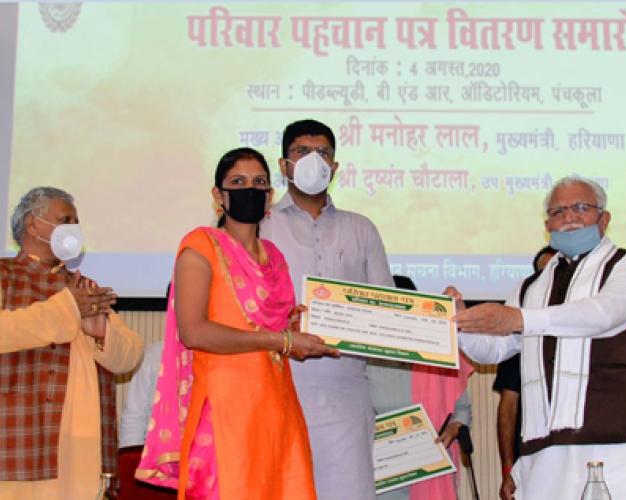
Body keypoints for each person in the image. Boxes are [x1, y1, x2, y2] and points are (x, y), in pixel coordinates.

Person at [446, 175, 626, 500]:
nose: (569, 218)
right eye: (558, 212)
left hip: (620, 443)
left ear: (604, 219)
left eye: (580, 208)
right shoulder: (531, 287)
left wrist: (519, 319)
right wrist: (460, 323)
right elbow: (496, 349)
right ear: (547, 226)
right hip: (545, 450)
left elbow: (602, 315)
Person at [137, 147, 337, 499]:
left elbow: (278, 334)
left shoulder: (274, 258)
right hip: (224, 412)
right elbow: (193, 331)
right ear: (219, 195)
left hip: (276, 407)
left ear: (270, 196)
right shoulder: (200, 246)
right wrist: (282, 341)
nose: (250, 189)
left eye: (260, 182)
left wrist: (294, 330)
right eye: (238, 182)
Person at [261, 119, 394, 500]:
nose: (313, 160)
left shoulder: (361, 228)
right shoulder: (260, 226)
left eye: (323, 153)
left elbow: (385, 313)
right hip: (277, 384)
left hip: (345, 391)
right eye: (302, 151)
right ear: (284, 164)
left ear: (335, 168)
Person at [0, 186, 143, 499]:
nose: (73, 230)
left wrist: (101, 330)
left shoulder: (83, 289)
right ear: (33, 224)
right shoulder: (4, 275)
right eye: (65, 220)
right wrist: (66, 309)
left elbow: (130, 356)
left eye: (76, 223)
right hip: (16, 442)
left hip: (80, 448)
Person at [367, 275, 474, 500]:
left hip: (433, 466)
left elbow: (463, 408)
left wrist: (454, 428)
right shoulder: (368, 361)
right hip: (386, 474)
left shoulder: (437, 358)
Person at [493, 246, 555, 497]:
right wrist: (508, 468)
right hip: (531, 463)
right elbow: (508, 407)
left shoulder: (588, 328)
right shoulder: (520, 335)